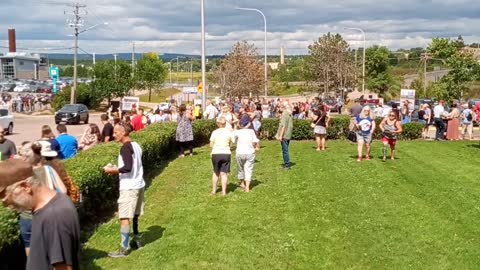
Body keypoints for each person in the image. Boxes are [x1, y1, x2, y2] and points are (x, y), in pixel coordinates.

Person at [0, 160, 80, 270]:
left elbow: (63, 267)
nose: (5, 204)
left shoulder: (53, 217)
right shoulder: (47, 207)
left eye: (5, 197)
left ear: (25, 187)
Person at [104, 122, 145, 257]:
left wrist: (112, 170)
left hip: (129, 187)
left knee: (124, 217)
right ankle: (137, 240)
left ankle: (124, 247)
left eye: (116, 132)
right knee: (136, 214)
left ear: (123, 133)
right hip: (139, 184)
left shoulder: (125, 148)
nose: (113, 135)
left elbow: (128, 168)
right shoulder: (136, 145)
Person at [209, 117, 234, 196]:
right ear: (225, 124)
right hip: (226, 153)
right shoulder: (229, 132)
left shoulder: (214, 132)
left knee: (216, 172)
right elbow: (232, 142)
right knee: (224, 173)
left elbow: (211, 144)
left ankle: (213, 191)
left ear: (217, 124)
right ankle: (223, 192)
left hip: (216, 153)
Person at [233, 118, 259, 193]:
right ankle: (247, 187)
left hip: (240, 152)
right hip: (250, 152)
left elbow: (233, 140)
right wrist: (256, 146)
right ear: (248, 124)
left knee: (240, 168)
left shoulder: (238, 132)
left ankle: (242, 183)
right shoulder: (251, 131)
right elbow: (255, 140)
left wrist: (235, 127)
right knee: (248, 169)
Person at [275, 103, 294, 170]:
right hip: (288, 134)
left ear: (282, 107)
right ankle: (286, 164)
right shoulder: (289, 113)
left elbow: (283, 126)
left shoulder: (284, 114)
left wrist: (280, 136)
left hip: (284, 135)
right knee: (285, 149)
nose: (278, 108)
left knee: (285, 150)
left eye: (279, 107)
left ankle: (287, 165)